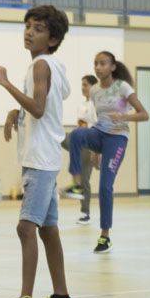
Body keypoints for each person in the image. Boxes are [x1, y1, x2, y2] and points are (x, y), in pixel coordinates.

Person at [0, 5, 75, 298]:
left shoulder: (40, 64)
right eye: (27, 26)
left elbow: (39, 108)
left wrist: (5, 83)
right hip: (45, 159)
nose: (29, 31)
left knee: (25, 227)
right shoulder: (51, 65)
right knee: (49, 231)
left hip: (40, 161)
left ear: (52, 38)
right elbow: (43, 109)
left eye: (38, 28)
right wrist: (17, 113)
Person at [63, 51, 148, 254]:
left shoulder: (123, 87)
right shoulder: (94, 91)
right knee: (76, 135)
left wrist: (124, 117)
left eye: (103, 64)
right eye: (96, 64)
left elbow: (144, 114)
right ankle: (77, 185)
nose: (98, 67)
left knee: (105, 187)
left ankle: (105, 237)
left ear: (112, 67)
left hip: (117, 140)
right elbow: (96, 118)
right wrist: (95, 151)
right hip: (98, 134)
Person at [62, 73, 97, 220]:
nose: (82, 88)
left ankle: (85, 213)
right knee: (56, 135)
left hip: (89, 145)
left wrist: (96, 151)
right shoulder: (82, 106)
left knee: (85, 180)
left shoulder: (97, 105)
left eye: (85, 85)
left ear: (93, 86)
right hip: (78, 141)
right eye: (81, 84)